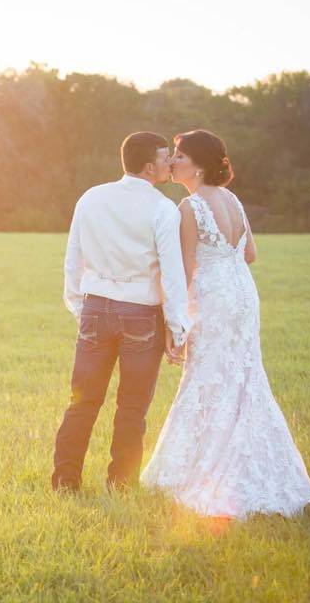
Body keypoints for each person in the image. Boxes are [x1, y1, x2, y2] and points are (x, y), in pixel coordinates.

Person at [140, 129, 310, 519]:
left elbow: (187, 269)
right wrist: (225, 260)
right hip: (242, 293)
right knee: (244, 378)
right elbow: (251, 254)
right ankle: (255, 461)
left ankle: (202, 471)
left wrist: (176, 325)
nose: (172, 161)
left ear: (200, 163)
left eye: (179, 155)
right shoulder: (233, 200)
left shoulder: (189, 208)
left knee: (207, 377)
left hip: (213, 298)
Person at [52, 132, 191, 494]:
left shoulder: (91, 198)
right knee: (132, 407)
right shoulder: (163, 209)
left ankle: (65, 483)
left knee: (82, 402)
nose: (170, 163)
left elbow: (73, 259)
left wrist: (81, 307)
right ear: (149, 166)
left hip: (96, 307)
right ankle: (121, 485)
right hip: (142, 314)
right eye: (165, 158)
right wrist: (178, 327)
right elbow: (172, 273)